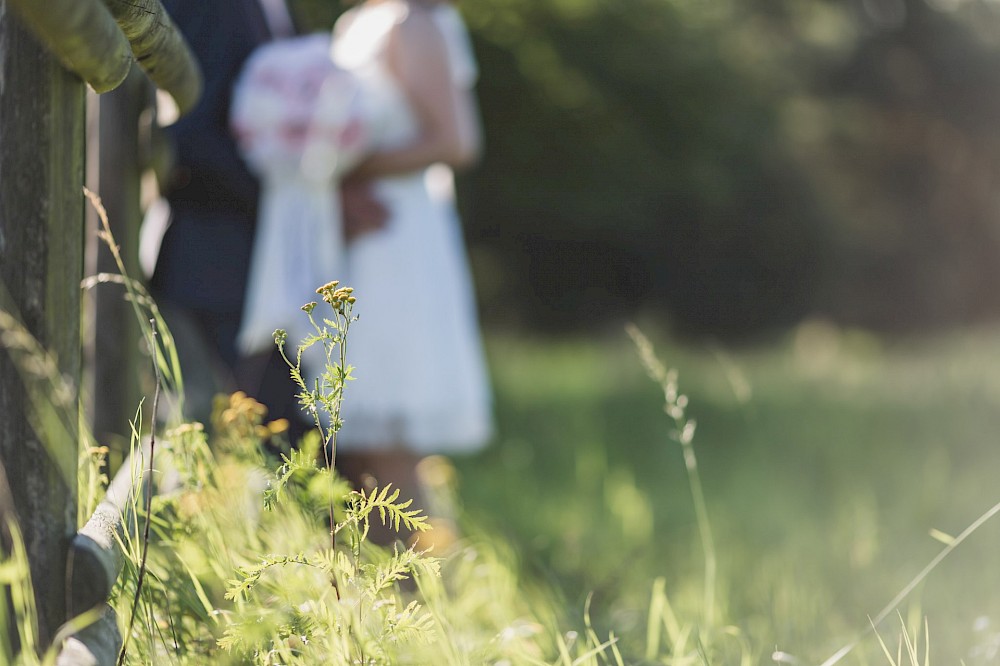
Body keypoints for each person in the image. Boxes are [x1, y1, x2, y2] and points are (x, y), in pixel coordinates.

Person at [330, 0, 494, 521]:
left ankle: (420, 588)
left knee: (390, 430)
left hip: (394, 236)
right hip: (351, 237)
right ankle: (364, 592)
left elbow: (456, 140)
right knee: (351, 447)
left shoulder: (415, 22)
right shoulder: (354, 23)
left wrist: (342, 171)